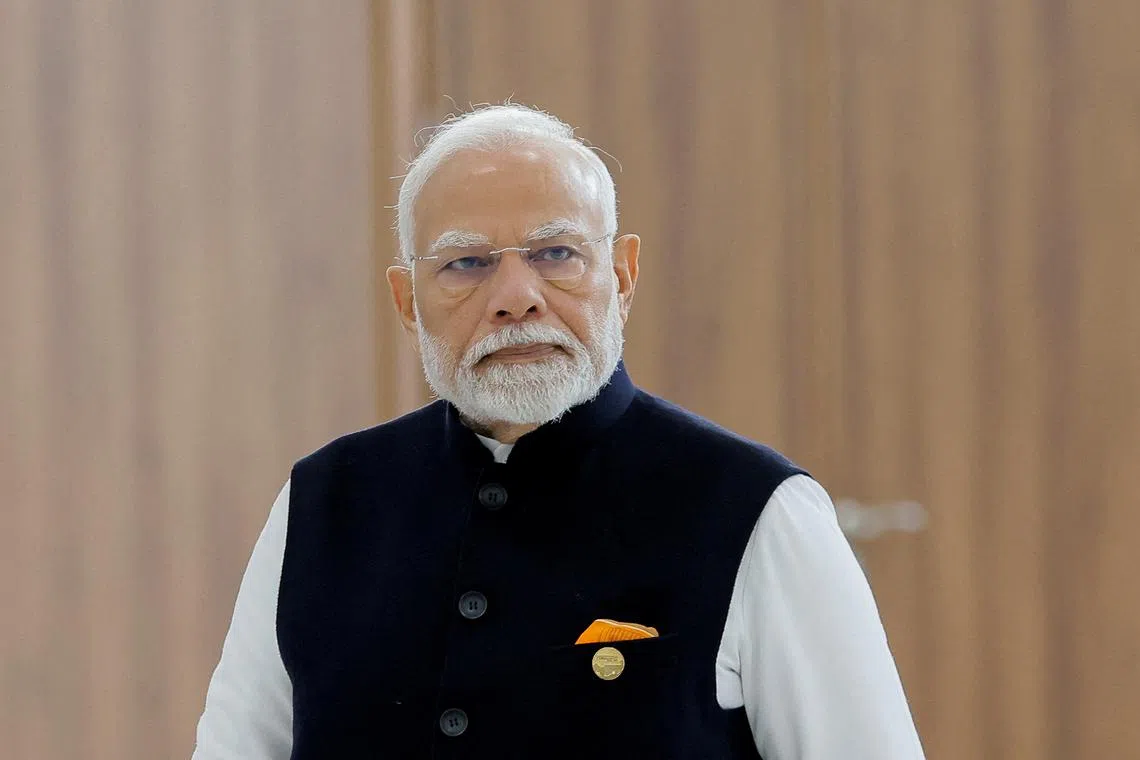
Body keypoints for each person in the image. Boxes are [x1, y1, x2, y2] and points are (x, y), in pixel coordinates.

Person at [192, 104, 925, 759]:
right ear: (408, 300)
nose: (515, 298)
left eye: (556, 254)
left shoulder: (757, 510)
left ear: (623, 274)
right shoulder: (321, 505)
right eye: (467, 263)